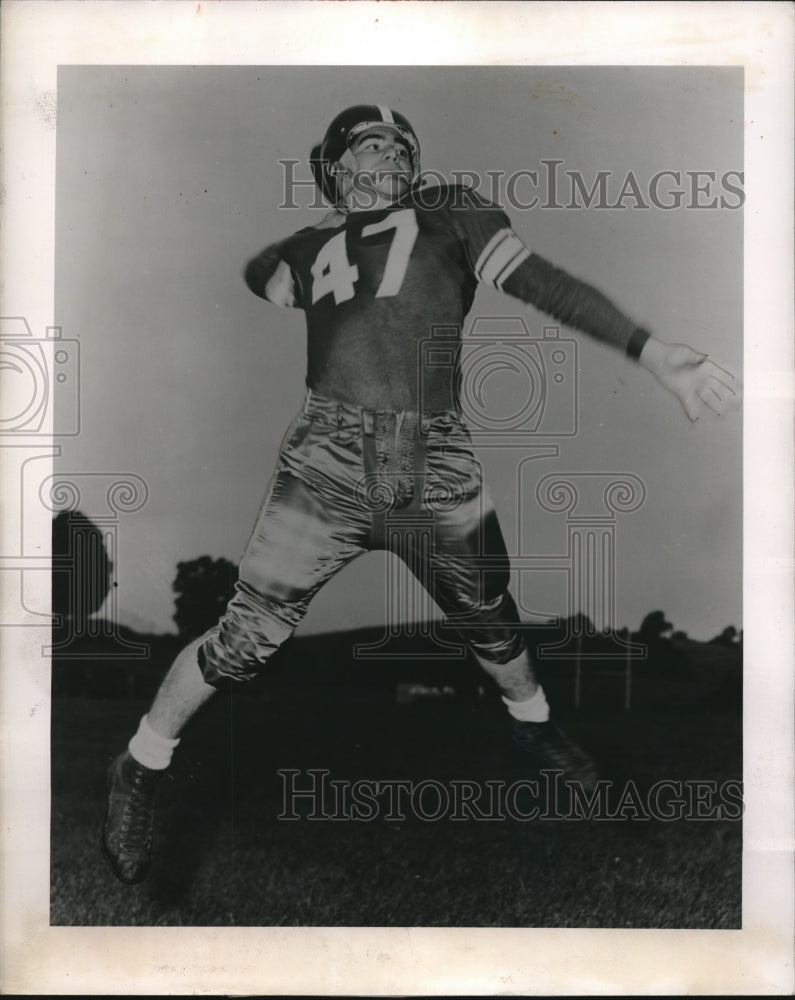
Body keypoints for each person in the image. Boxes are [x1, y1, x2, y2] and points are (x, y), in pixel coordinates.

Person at [101, 104, 738, 884]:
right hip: (326, 457)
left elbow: (542, 284)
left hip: (434, 453)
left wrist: (650, 349)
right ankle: (139, 768)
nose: (385, 156)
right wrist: (298, 255)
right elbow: (259, 272)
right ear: (333, 168)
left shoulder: (451, 214)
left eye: (397, 147)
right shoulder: (309, 248)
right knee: (246, 638)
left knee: (490, 621)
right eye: (366, 146)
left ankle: (535, 730)